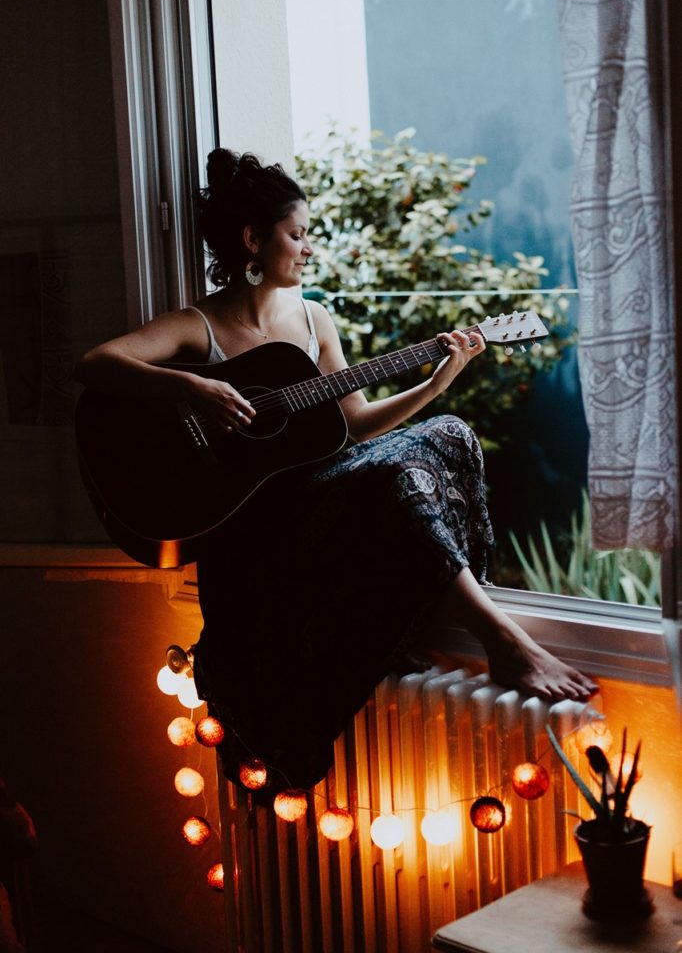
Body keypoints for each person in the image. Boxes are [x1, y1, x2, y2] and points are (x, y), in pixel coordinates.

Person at [74, 148, 597, 793]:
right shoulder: (199, 325)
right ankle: (505, 642)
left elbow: (353, 425)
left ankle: (492, 627)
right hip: (260, 518)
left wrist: (435, 384)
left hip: (320, 493)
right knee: (391, 477)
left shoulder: (312, 319)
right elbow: (94, 363)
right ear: (253, 241)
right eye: (298, 235)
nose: (309, 249)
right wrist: (192, 387)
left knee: (444, 434)